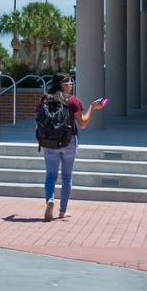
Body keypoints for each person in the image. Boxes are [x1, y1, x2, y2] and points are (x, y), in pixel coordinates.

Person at [37, 73, 103, 222]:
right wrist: (92, 107)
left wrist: (40, 140)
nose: (71, 85)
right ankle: (63, 211)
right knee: (67, 176)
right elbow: (83, 123)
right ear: (62, 85)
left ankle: (49, 200)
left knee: (50, 176)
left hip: (48, 142)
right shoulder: (72, 101)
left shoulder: (44, 99)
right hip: (69, 141)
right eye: (69, 83)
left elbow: (38, 124)